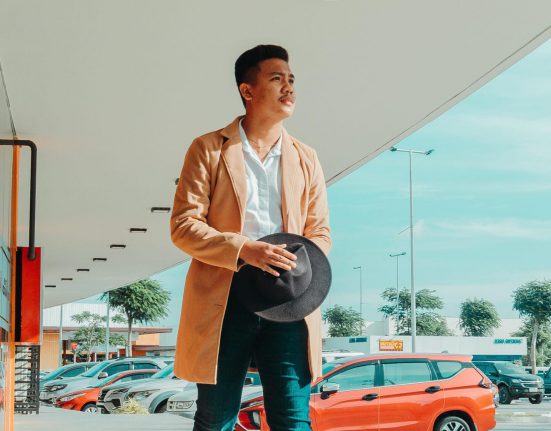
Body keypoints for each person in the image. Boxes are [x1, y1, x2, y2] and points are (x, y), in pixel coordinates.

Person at [170, 44, 331, 431]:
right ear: (247, 90)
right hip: (225, 299)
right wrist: (245, 249)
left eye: (291, 79)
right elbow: (184, 225)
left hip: (289, 300)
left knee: (293, 421)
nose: (289, 87)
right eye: (277, 78)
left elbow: (320, 231)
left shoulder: (306, 157)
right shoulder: (209, 149)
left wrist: (297, 264)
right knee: (215, 420)